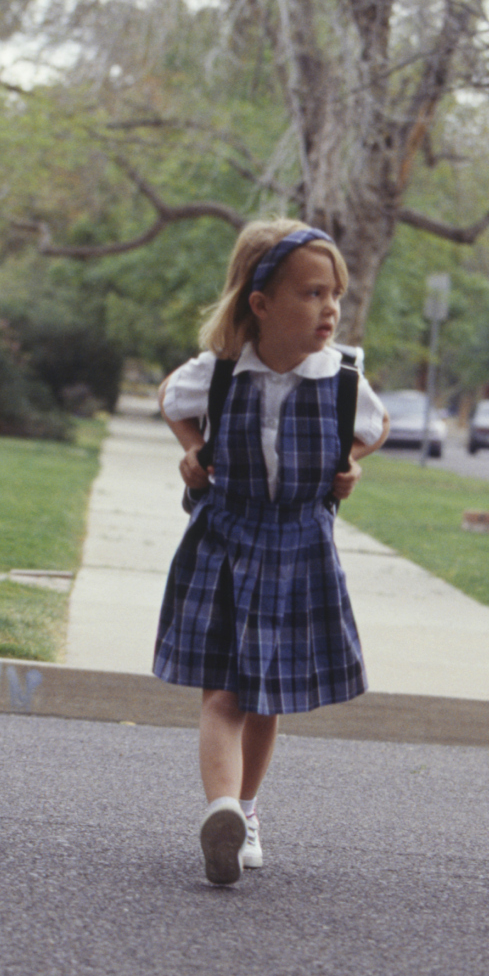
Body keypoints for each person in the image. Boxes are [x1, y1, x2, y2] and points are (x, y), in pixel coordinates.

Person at [154, 219, 389, 886]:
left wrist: (350, 464)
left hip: (297, 543)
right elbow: (170, 398)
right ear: (260, 304)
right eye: (312, 294)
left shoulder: (342, 377)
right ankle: (221, 810)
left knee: (266, 695)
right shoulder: (220, 372)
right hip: (225, 538)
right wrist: (191, 451)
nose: (330, 309)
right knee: (223, 691)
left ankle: (245, 810)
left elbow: (373, 428)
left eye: (334, 295)